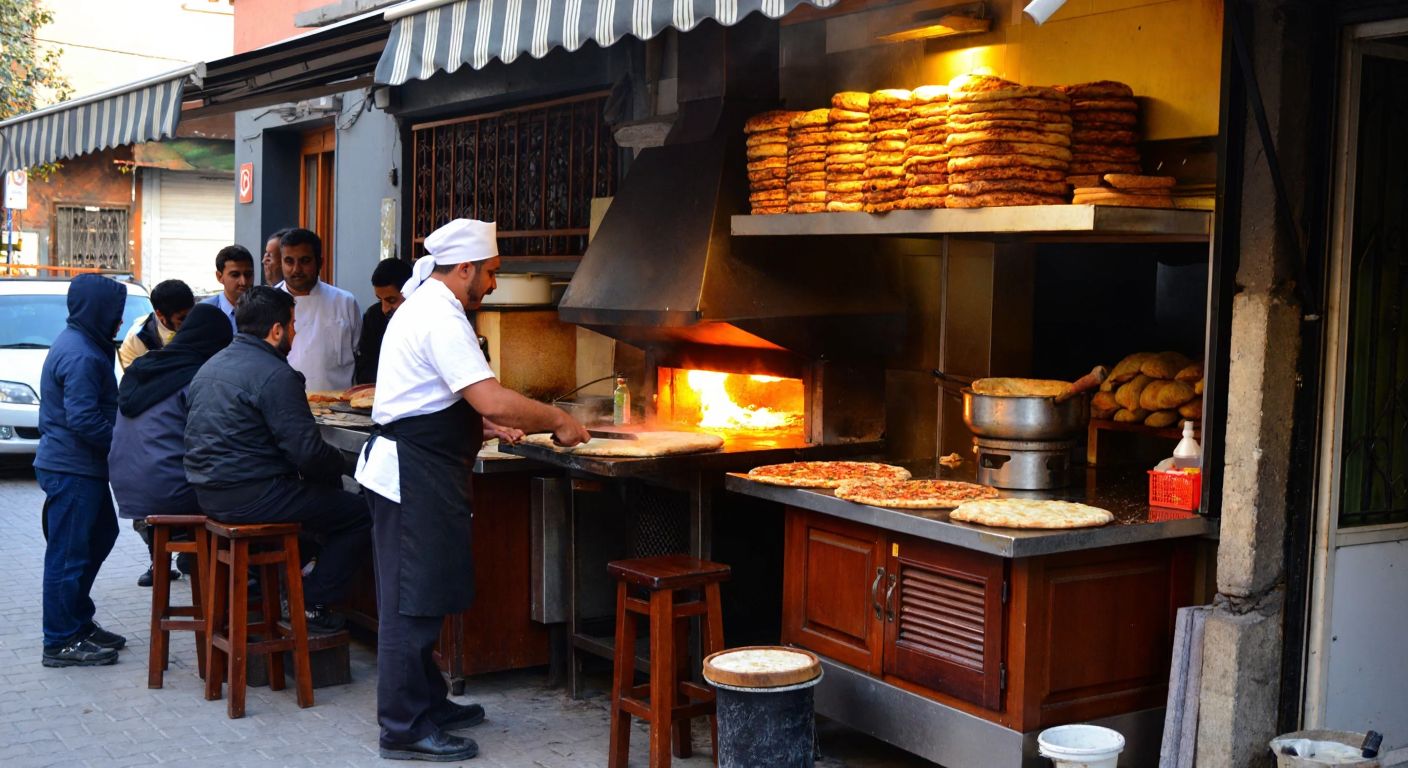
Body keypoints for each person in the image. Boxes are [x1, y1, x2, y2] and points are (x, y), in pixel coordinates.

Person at [355, 219, 589, 762]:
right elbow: (490, 397)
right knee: (410, 606)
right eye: (490, 273)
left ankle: (429, 702)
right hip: (410, 475)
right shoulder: (439, 315)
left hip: (423, 470)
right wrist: (553, 417)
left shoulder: (433, 306)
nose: (492, 285)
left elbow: (434, 398)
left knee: (428, 595)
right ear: (464, 269)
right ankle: (404, 727)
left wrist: (482, 427)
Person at [184, 286, 370, 633]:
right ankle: (312, 602)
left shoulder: (211, 366)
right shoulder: (275, 375)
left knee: (321, 502)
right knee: (360, 515)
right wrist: (351, 467)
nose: (296, 332)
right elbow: (308, 454)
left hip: (209, 492)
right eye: (294, 325)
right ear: (277, 330)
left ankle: (290, 587)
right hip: (251, 495)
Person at [34, 274, 129, 667]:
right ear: (98, 312)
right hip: (71, 469)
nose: (119, 322)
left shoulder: (87, 341)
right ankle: (59, 640)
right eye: (115, 314)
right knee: (69, 554)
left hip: (80, 468)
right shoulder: (82, 354)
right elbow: (84, 419)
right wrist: (124, 447)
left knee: (101, 536)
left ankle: (77, 621)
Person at [110, 303, 233, 587]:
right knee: (241, 500)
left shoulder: (147, 366)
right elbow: (215, 440)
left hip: (128, 489)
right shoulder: (196, 377)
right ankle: (235, 596)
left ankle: (182, 556)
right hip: (167, 492)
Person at [278, 228, 361, 392]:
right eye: (289, 261)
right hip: (285, 405)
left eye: (305, 261)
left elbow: (359, 354)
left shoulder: (345, 302)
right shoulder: (268, 303)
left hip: (339, 409)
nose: (296, 269)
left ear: (320, 262)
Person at [354, 258, 412, 384]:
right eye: (380, 300)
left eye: (391, 300)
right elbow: (366, 368)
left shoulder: (429, 319)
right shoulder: (373, 317)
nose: (385, 309)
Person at [118, 279, 194, 370]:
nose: (188, 321)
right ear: (160, 314)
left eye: (192, 314)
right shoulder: (138, 337)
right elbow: (131, 378)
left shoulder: (200, 325)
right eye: (181, 318)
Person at [202, 244, 256, 333]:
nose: (243, 282)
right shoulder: (205, 311)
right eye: (235, 275)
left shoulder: (263, 310)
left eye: (248, 274)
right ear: (219, 277)